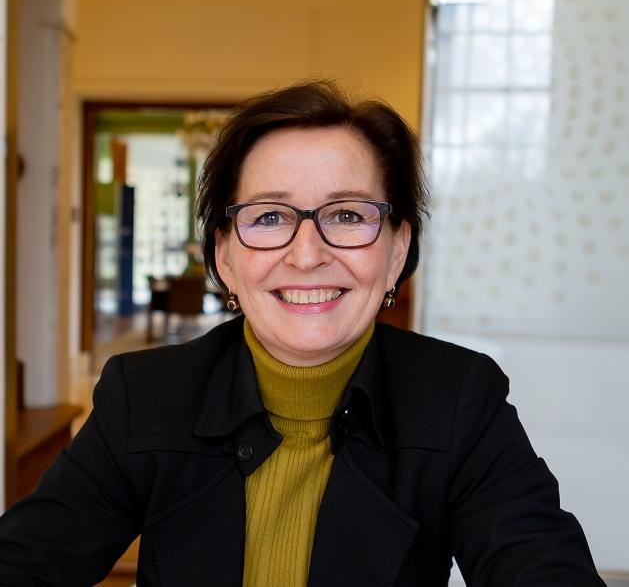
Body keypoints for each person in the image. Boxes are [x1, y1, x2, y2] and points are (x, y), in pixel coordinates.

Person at [0, 81, 605, 586]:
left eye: (347, 215)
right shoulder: (145, 396)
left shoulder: (459, 399)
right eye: (269, 216)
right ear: (225, 256)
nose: (307, 254)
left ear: (397, 251)